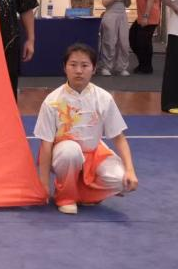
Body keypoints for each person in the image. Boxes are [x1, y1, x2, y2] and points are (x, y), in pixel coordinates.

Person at [34, 43, 138, 215]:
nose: (79, 71)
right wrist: (43, 184)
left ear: (94, 68)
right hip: (63, 154)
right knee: (71, 151)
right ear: (64, 67)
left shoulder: (103, 98)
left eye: (84, 65)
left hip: (94, 153)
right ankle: (66, 197)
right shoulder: (52, 101)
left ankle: (85, 194)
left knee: (122, 181)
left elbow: (119, 137)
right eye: (73, 65)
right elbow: (46, 144)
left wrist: (130, 170)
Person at [97, 0, 133, 76]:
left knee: (124, 42)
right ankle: (106, 66)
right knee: (109, 41)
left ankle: (121, 67)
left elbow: (127, 4)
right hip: (110, 15)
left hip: (122, 15)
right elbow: (105, 3)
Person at [129, 0, 160, 74]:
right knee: (134, 39)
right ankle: (144, 64)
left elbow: (150, 1)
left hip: (149, 18)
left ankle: (146, 66)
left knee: (143, 42)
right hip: (141, 17)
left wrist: (146, 17)